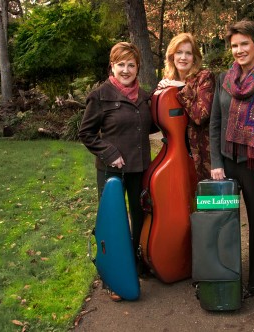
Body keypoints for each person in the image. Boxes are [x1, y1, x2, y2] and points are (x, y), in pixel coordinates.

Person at [79, 42, 156, 302]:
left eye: (131, 65)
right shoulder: (100, 95)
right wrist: (110, 152)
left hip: (139, 169)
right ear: (112, 65)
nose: (126, 69)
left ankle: (135, 265)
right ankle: (112, 278)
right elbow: (86, 133)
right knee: (113, 223)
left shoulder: (145, 97)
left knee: (139, 215)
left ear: (138, 67)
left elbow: (155, 125)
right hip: (111, 172)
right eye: (120, 64)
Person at [209, 20, 254, 298]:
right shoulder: (224, 79)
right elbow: (215, 121)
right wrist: (215, 161)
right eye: (235, 45)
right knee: (223, 221)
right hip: (226, 161)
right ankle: (225, 272)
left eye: (244, 44)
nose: (239, 50)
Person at [155, 33, 215, 181]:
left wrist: (181, 88)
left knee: (202, 200)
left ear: (194, 57)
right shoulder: (168, 81)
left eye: (188, 53)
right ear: (172, 56)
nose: (183, 57)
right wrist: (160, 95)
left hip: (201, 153)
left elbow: (201, 116)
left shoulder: (204, 77)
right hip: (175, 151)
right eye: (179, 52)